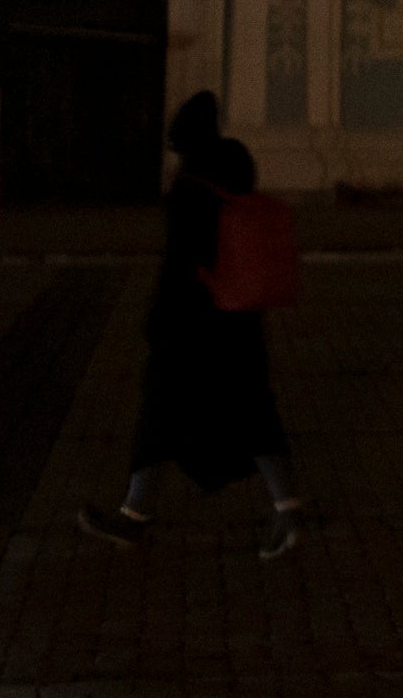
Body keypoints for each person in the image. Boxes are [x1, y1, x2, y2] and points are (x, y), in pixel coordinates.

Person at [81, 91, 306, 558]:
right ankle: (287, 511)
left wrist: (157, 320)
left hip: (191, 325)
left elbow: (181, 263)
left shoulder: (189, 187)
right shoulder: (236, 164)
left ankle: (133, 517)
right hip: (238, 316)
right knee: (252, 409)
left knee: (159, 412)